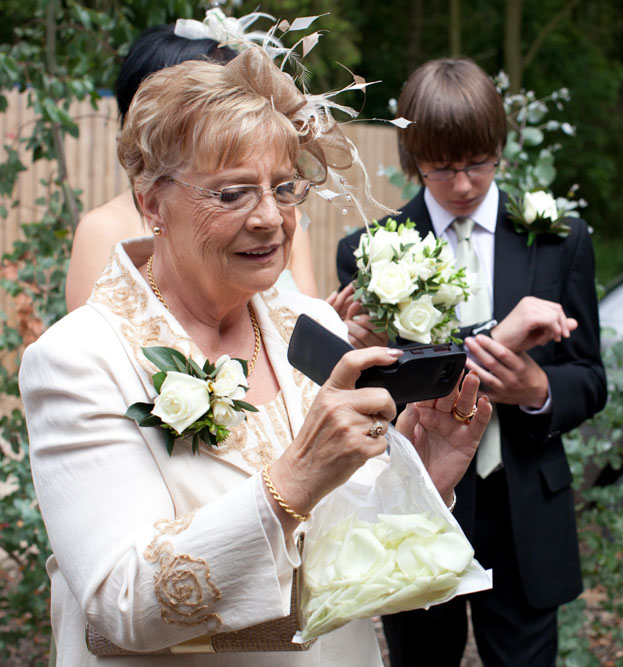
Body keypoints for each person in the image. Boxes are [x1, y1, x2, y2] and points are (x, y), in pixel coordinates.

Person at [20, 46, 492, 666]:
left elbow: (344, 560)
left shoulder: (314, 325)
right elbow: (119, 603)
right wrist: (290, 481)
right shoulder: (79, 359)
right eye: (233, 193)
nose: (271, 218)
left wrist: (420, 475)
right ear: (152, 202)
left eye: (284, 187)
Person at [335, 58, 606, 666]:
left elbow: (591, 379)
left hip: (524, 512)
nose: (463, 183)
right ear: (413, 160)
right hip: (422, 499)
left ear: (499, 149)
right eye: (442, 167)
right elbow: (373, 388)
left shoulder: (560, 241)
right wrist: (495, 343)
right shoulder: (368, 253)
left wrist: (538, 388)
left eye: (478, 162)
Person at [65, 19, 319, 311]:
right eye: (232, 194)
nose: (269, 217)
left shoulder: (282, 216)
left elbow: (305, 323)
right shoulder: (103, 228)